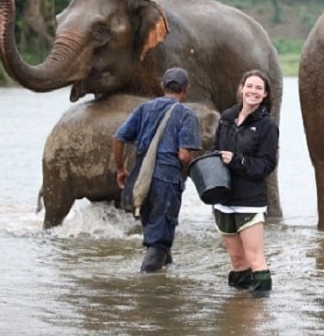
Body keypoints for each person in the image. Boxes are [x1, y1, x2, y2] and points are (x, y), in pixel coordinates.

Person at [113, 67, 201, 272]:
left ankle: (166, 274)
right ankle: (147, 290)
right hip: (167, 181)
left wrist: (120, 169)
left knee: (155, 231)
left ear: (162, 86)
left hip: (142, 180)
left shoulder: (144, 109)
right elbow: (183, 155)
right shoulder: (187, 115)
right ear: (186, 90)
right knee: (159, 240)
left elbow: (118, 138)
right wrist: (194, 163)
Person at [211, 70, 279, 296]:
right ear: (241, 88)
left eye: (259, 88)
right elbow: (215, 151)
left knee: (255, 258)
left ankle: (260, 311)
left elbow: (267, 165)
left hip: (249, 201)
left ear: (265, 94)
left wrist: (237, 160)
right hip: (223, 199)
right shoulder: (226, 117)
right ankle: (238, 310)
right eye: (249, 86)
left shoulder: (267, 125)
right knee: (238, 260)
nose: (253, 91)